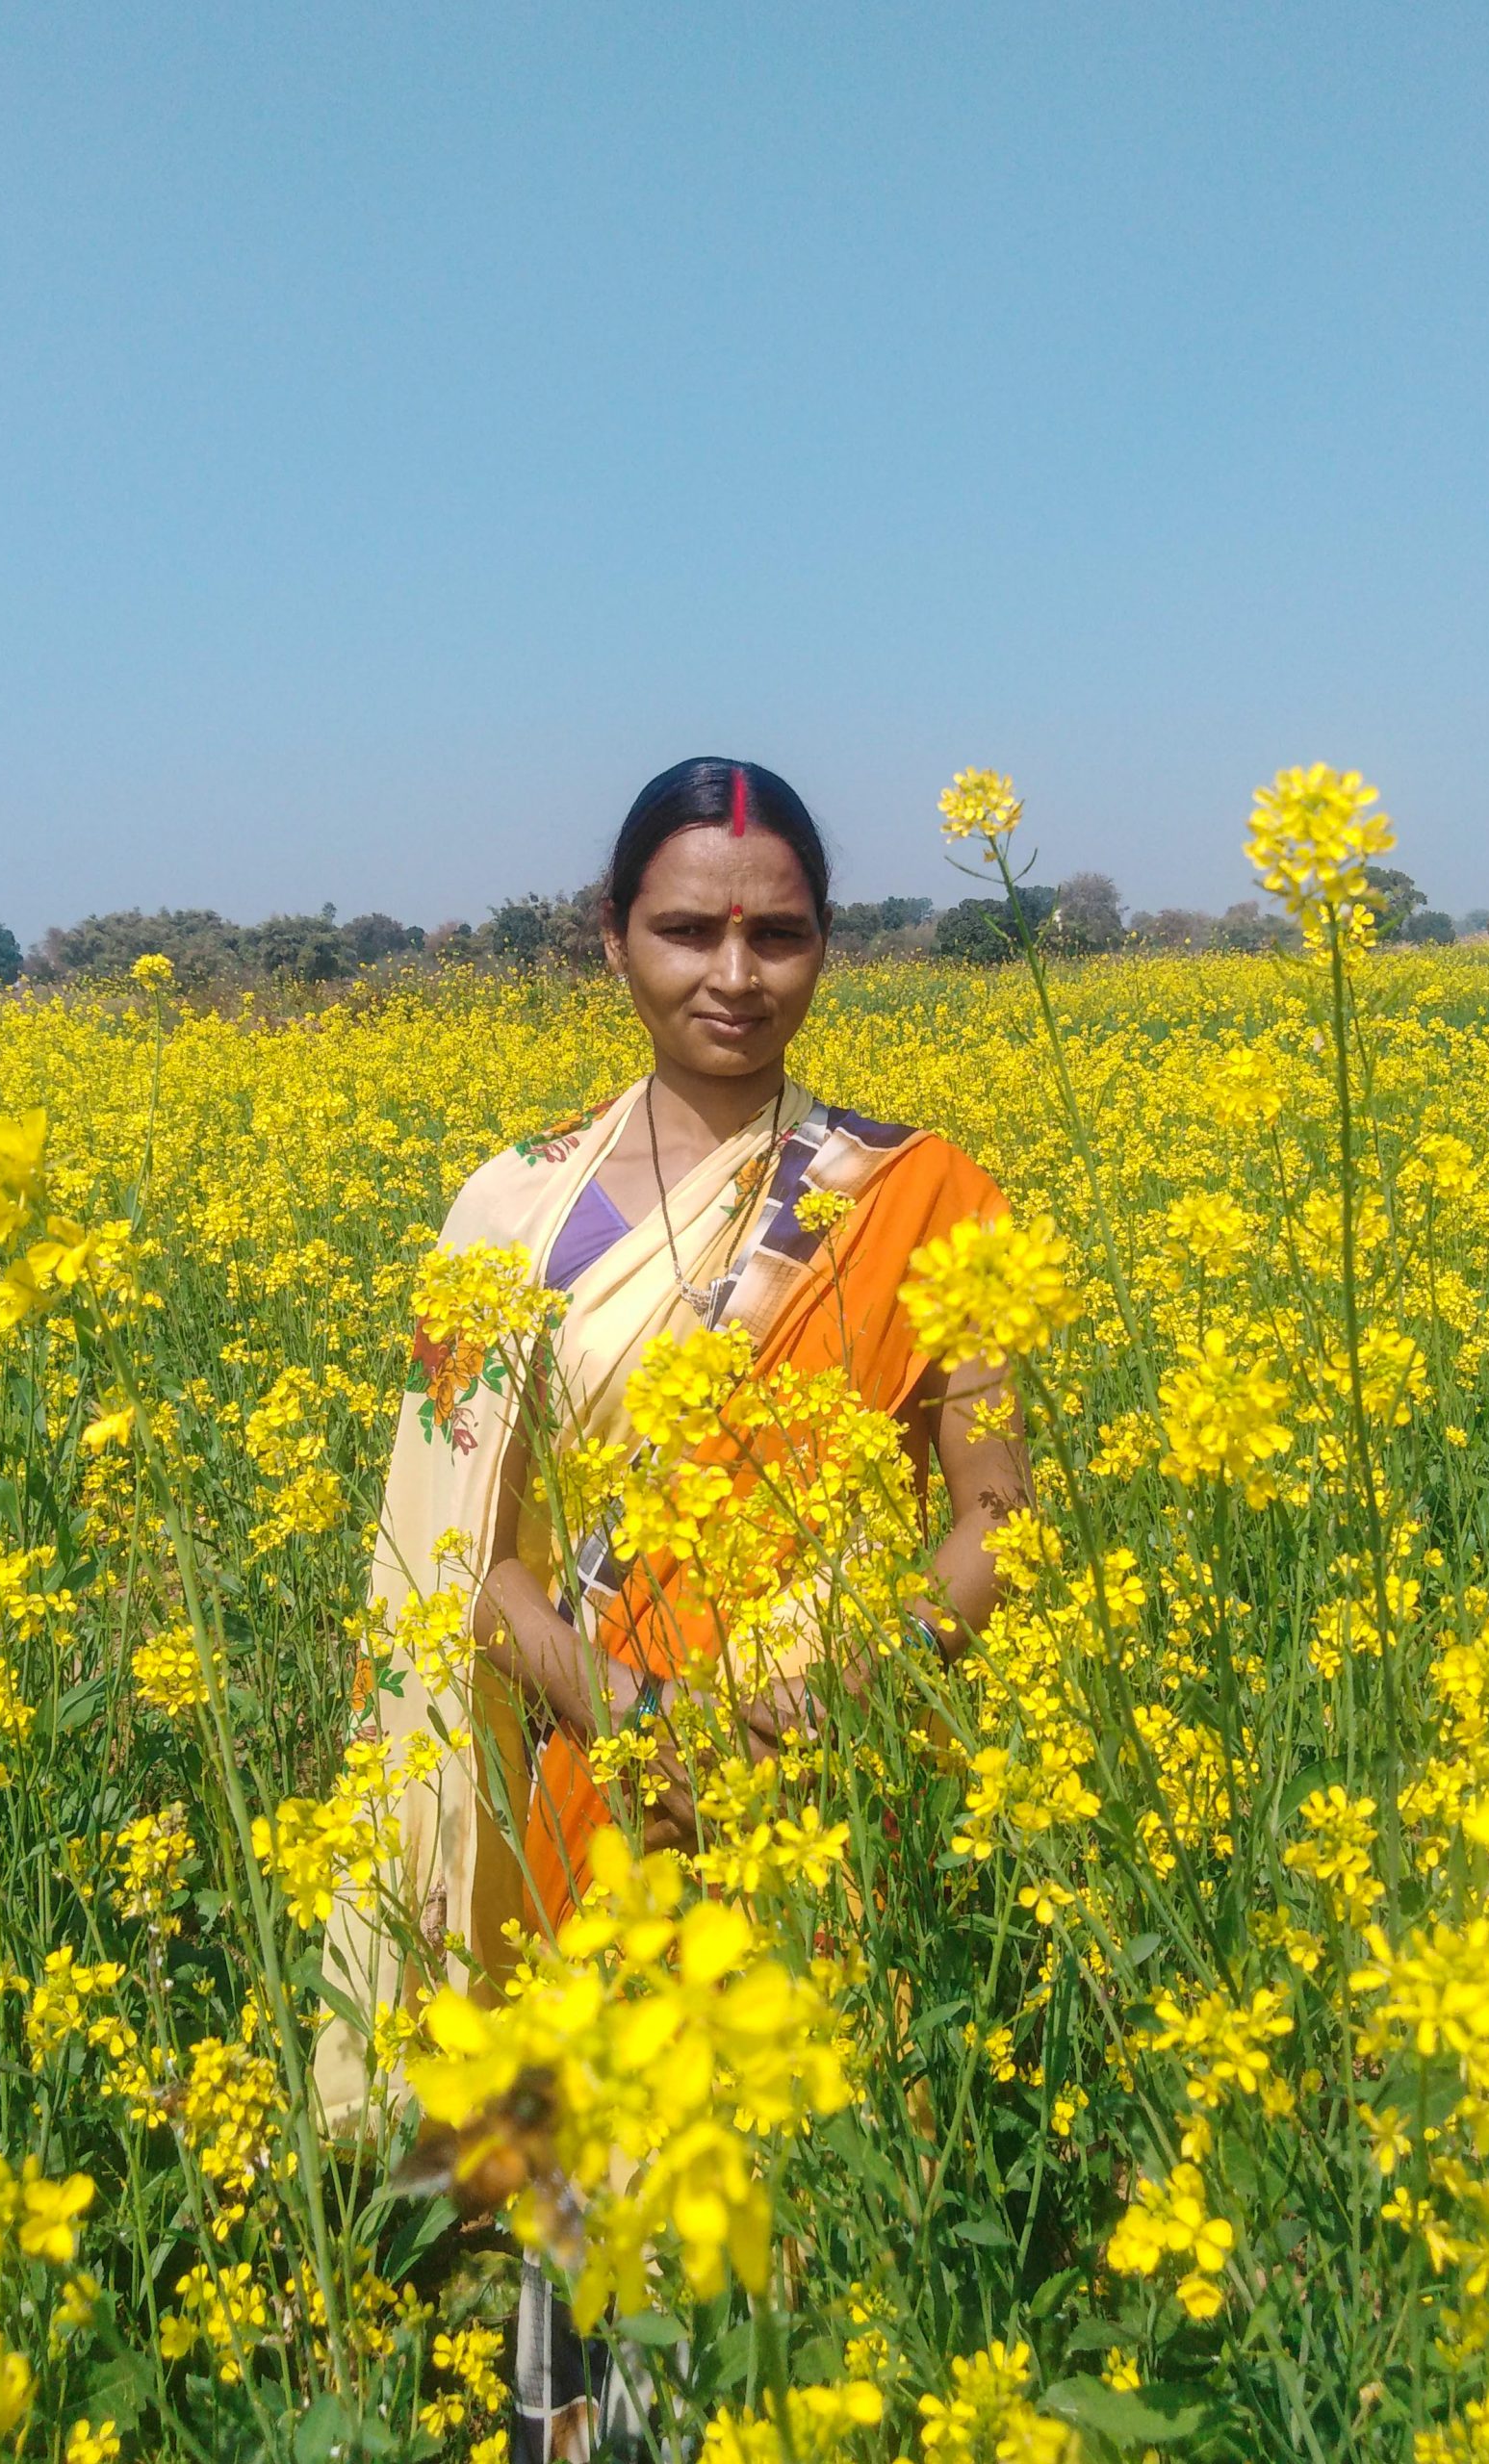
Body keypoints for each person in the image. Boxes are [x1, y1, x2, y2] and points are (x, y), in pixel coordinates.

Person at [316, 757, 1026, 2450]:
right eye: (689, 928)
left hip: (828, 1798)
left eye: (776, 933)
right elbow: (455, 1548)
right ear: (612, 940)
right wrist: (629, 1711)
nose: (735, 971)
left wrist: (836, 1696)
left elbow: (996, 1521)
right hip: (578, 1792)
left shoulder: (924, 1196)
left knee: (805, 2280)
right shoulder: (508, 1210)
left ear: (826, 948)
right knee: (584, 2312)